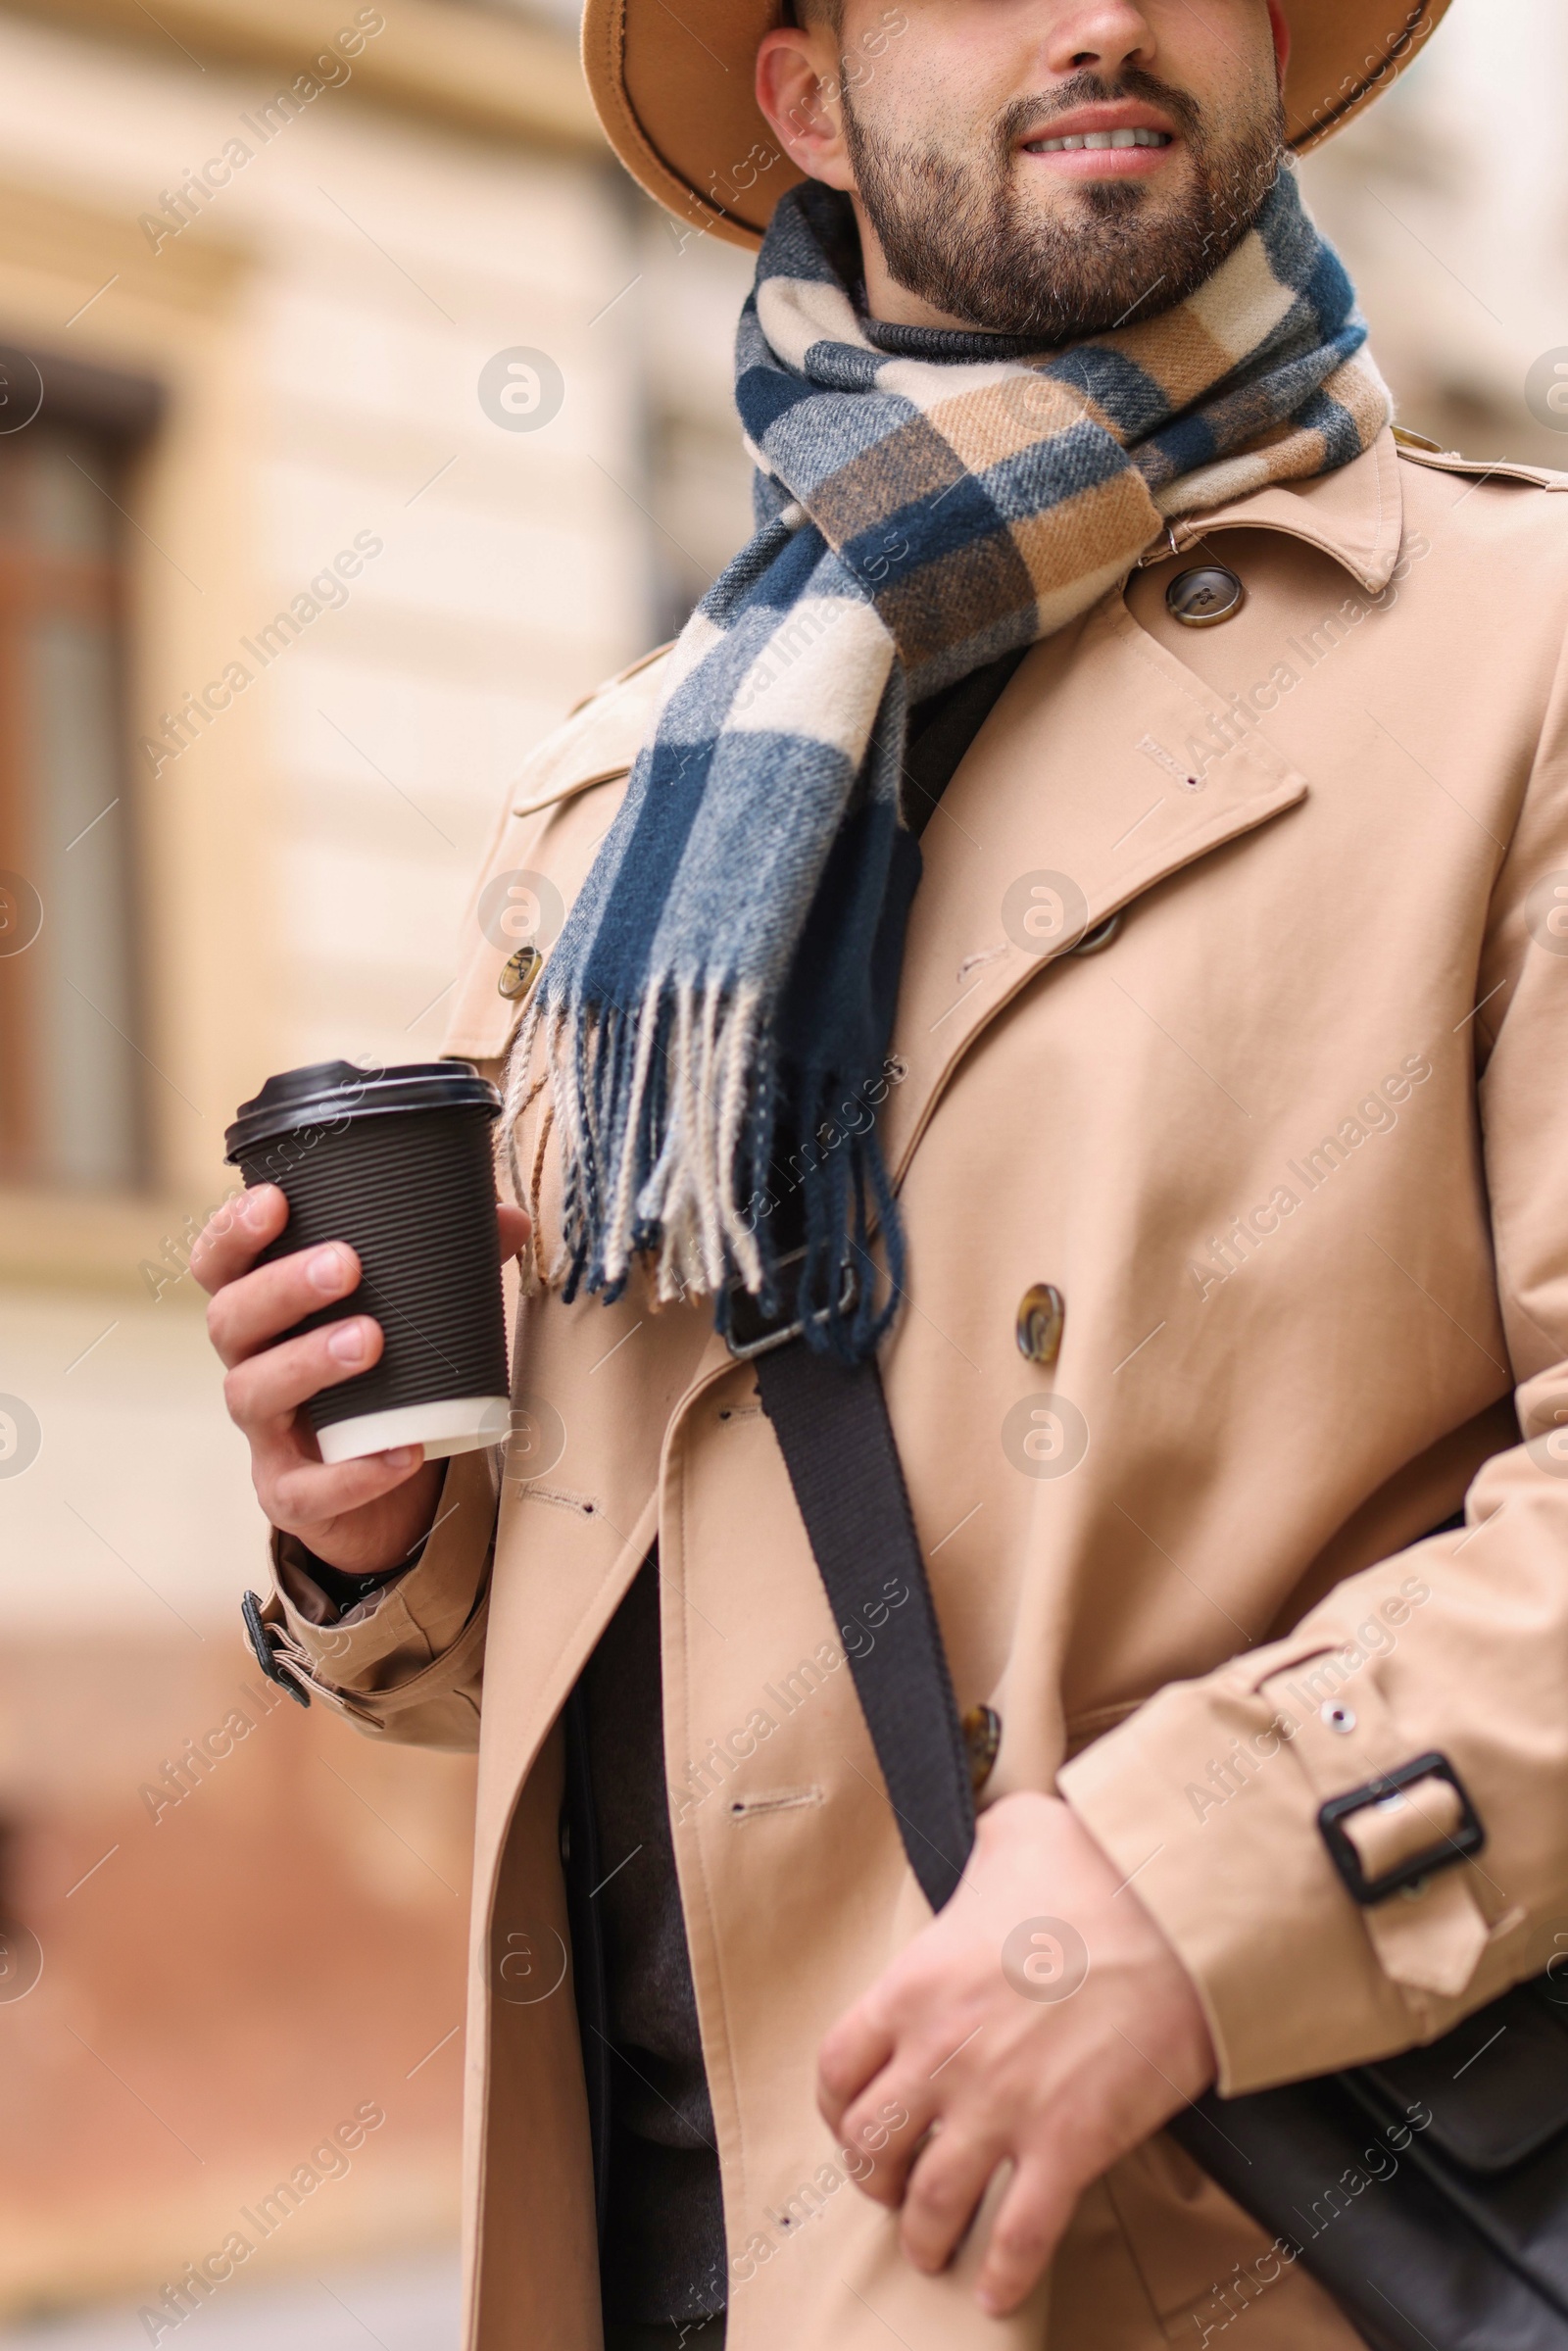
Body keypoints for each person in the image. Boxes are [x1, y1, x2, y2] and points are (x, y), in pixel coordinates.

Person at [194, 1, 1568, 2345]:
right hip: (666, 2260)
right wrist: (382, 1546)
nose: (1104, 14)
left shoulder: (1512, 655)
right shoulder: (614, 815)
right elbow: (606, 1609)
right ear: (807, 95)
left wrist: (1202, 1871)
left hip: (1206, 2246)